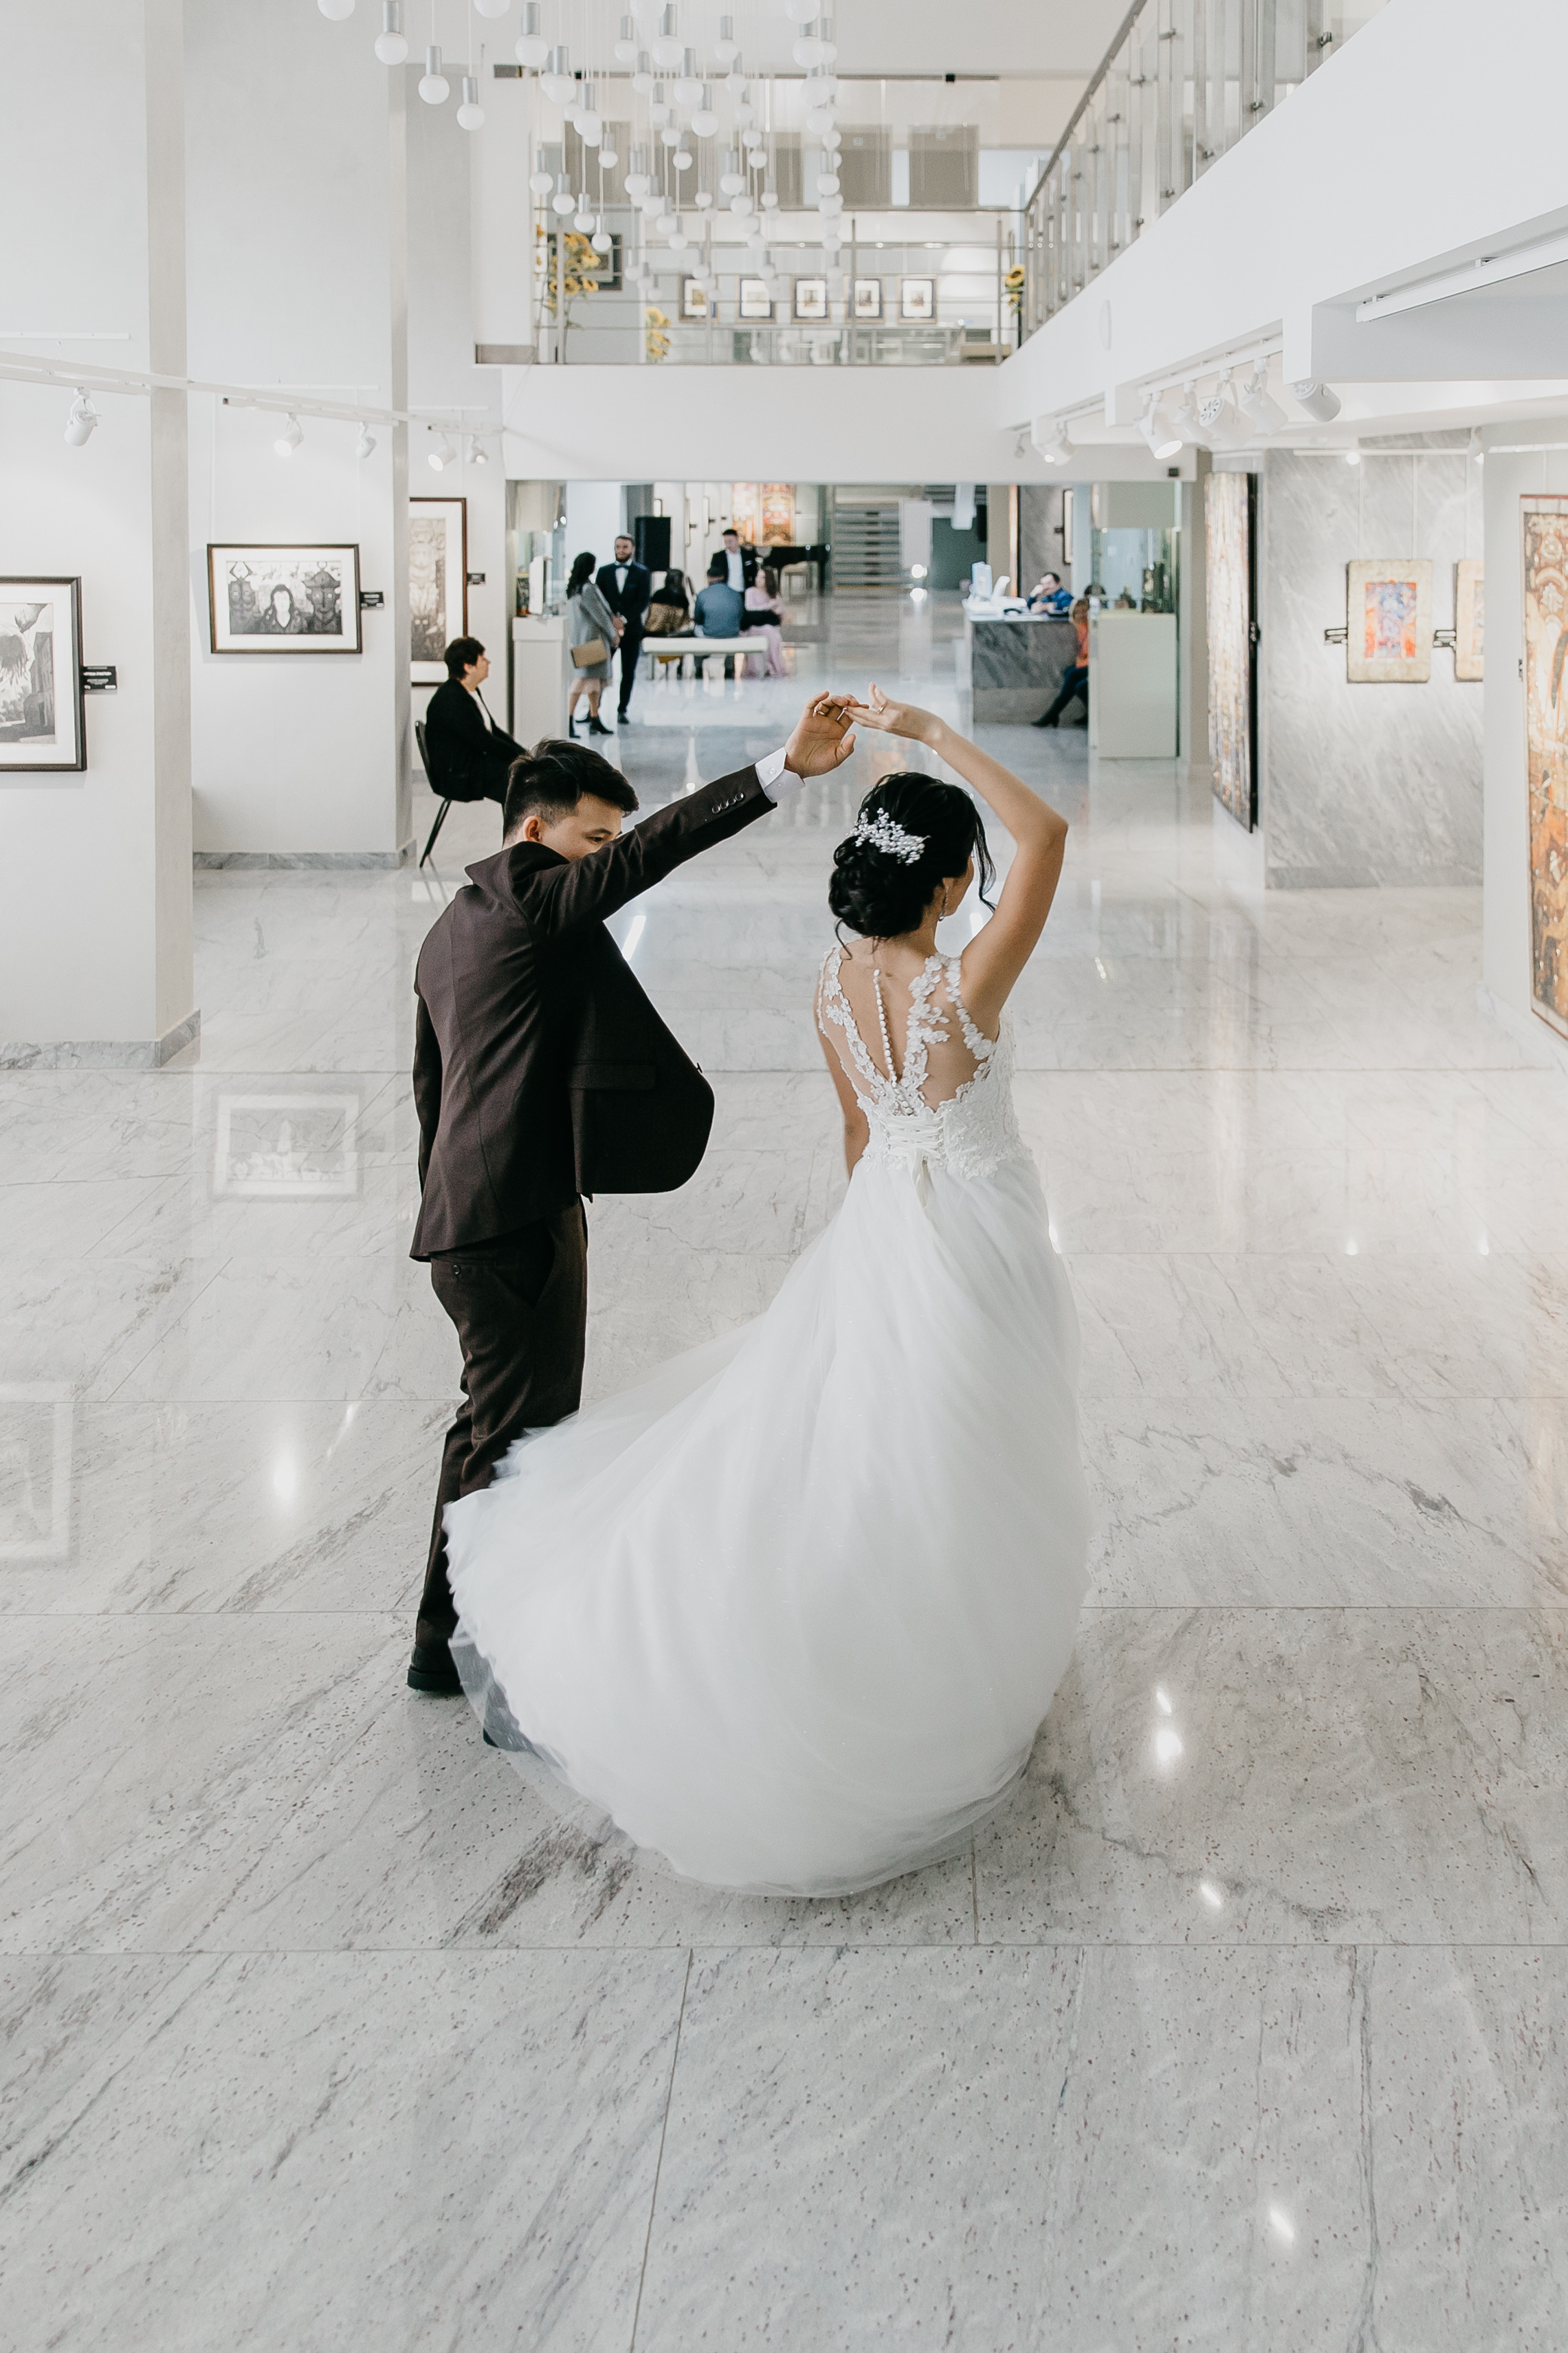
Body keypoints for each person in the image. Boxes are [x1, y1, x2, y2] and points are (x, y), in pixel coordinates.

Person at [441, 686, 1089, 1896]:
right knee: (980, 1438)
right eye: (967, 874)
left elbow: (859, 1130)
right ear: (950, 888)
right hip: (981, 1224)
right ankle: (952, 1656)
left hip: (885, 1217)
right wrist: (935, 735)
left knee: (871, 1433)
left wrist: (868, 1247)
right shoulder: (964, 990)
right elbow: (1048, 838)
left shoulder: (835, 987)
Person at [406, 694, 860, 1698]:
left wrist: (447, 1208)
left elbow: (429, 1094)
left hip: (461, 1224)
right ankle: (493, 1662)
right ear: (537, 829)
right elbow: (654, 851)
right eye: (590, 839)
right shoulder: (535, 900)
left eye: (606, 839)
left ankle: (440, 1644)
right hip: (515, 1222)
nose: (601, 858)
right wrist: (780, 769)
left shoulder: (451, 927)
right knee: (520, 1444)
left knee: (480, 1429)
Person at [422, 637, 524, 805]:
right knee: (517, 778)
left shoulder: (470, 691)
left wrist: (522, 753)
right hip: (457, 775)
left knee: (519, 772)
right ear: (468, 667)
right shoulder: (452, 699)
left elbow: (492, 731)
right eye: (482, 659)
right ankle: (518, 828)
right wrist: (521, 757)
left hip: (470, 764)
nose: (488, 662)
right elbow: (484, 741)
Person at [595, 534, 652, 725]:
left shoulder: (642, 572)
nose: (621, 550)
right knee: (600, 670)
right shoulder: (604, 572)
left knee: (629, 671)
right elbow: (599, 600)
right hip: (607, 629)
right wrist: (611, 620)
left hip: (632, 629)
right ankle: (594, 710)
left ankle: (622, 709)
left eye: (625, 547)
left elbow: (643, 601)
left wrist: (624, 619)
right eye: (618, 547)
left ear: (632, 549)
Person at [564, 551, 619, 736]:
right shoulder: (587, 589)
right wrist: (613, 634)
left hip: (582, 640)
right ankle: (570, 719)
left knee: (593, 680)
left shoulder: (574, 589)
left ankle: (594, 717)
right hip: (592, 641)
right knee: (581, 680)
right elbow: (600, 616)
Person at [1033, 595, 1091, 727]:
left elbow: (1088, 654)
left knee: (1074, 676)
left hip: (1092, 665)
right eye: (1077, 612)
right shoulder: (1081, 628)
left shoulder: (1089, 628)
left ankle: (1052, 714)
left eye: (1084, 611)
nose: (1081, 615)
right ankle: (1053, 715)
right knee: (1070, 673)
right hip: (1086, 664)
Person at [693, 557, 746, 673]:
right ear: (723, 577)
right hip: (731, 635)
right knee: (733, 630)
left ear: (708, 578)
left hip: (709, 635)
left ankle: (699, 666)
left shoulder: (702, 594)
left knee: (697, 628)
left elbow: (698, 618)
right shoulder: (736, 594)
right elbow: (740, 615)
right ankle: (729, 666)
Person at [743, 565, 788, 677]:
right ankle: (760, 667)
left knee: (773, 635)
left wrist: (777, 610)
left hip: (769, 625)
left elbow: (782, 612)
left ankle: (772, 665)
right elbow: (750, 608)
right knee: (764, 632)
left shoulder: (773, 594)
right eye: (758, 577)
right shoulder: (750, 592)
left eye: (762, 577)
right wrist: (767, 606)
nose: (758, 580)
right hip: (755, 625)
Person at [643, 569, 693, 635]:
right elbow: (684, 622)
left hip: (652, 631)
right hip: (672, 632)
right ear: (677, 581)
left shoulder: (658, 594)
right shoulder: (681, 598)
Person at [719, 525, 758, 594]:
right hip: (726, 592)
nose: (728, 545)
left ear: (737, 539)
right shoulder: (719, 557)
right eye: (726, 542)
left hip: (745, 591)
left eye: (730, 541)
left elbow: (754, 572)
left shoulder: (748, 555)